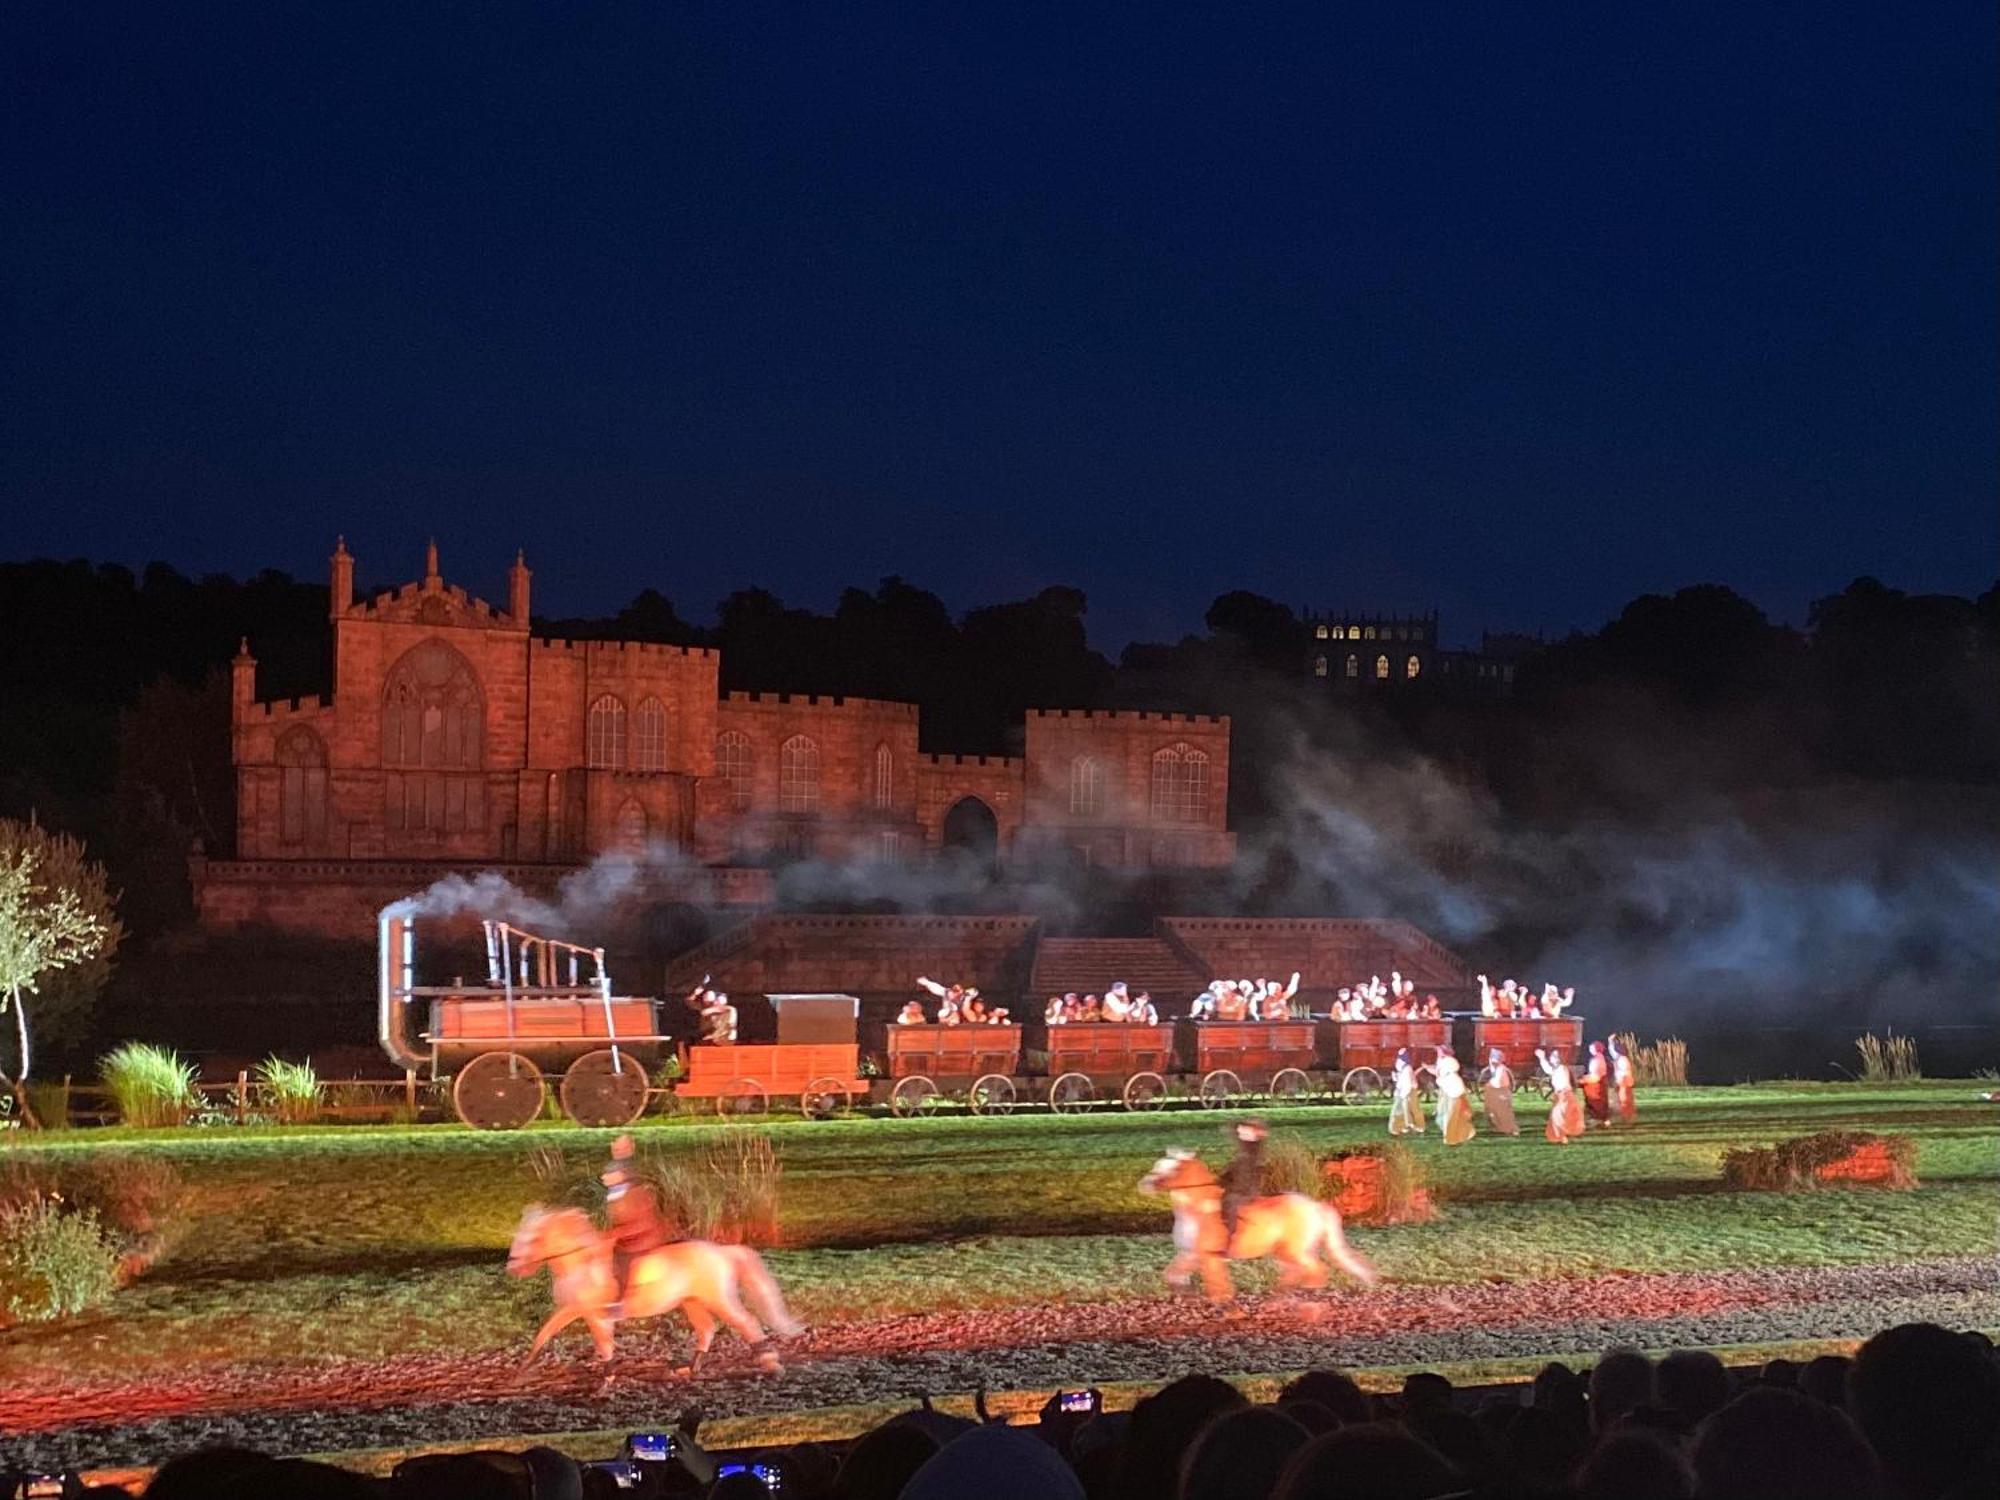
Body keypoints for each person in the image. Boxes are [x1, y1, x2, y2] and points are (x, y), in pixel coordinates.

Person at [602, 1133, 677, 1316]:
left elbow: (643, 1221)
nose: (604, 1177)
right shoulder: (615, 1192)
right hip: (627, 1237)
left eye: (609, 1175)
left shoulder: (639, 1190)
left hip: (645, 1237)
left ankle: (626, 1301)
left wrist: (615, 1234)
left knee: (629, 1262)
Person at [1220, 1117, 1267, 1242]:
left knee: (1231, 1202)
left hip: (1247, 1190)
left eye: (1245, 1132)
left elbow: (1245, 1176)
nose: (1241, 1134)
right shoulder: (1244, 1148)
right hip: (1236, 1186)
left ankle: (1230, 1235)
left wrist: (1232, 1187)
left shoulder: (1254, 1151)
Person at [1538, 1046, 1585, 1144]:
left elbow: (1562, 1084)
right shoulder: (1558, 1068)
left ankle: (1561, 1136)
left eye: (1553, 1057)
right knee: (1560, 1116)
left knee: (1558, 1116)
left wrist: (1542, 1058)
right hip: (1562, 1095)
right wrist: (1542, 1058)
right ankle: (1561, 1135)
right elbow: (1549, 1070)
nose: (1551, 1058)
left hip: (1564, 1096)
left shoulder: (1562, 1069)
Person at [1434, 1045, 1475, 1145]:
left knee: (1452, 1115)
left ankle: (1451, 1137)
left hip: (1453, 1092)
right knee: (1451, 1114)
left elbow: (1440, 1074)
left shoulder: (1448, 1063)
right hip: (1450, 1092)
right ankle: (1465, 1132)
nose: (1438, 1053)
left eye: (1439, 1051)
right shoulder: (1445, 1063)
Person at [1480, 1047, 1519, 1135]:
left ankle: (1511, 1129)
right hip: (1494, 1093)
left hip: (1501, 1093)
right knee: (1493, 1111)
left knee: (1504, 1112)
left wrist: (1489, 1084)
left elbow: (1497, 1083)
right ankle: (1498, 1127)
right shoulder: (1494, 1069)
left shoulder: (1501, 1070)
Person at [1388, 1048, 1425, 1136]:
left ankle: (1417, 1126)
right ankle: (1403, 1126)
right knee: (1405, 1109)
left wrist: (1403, 1095)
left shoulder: (1406, 1069)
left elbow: (1407, 1083)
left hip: (1407, 1091)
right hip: (1404, 1091)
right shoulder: (1404, 1068)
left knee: (1411, 1109)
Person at [1583, 1041, 1612, 1126]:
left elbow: (1596, 1074)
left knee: (1596, 1102)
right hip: (1598, 1082)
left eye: (1591, 1048)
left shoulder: (1597, 1059)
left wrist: (1585, 1079)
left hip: (1596, 1083)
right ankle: (1604, 1120)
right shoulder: (1599, 1058)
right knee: (1601, 1102)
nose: (1590, 1049)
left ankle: (1596, 1118)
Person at [1610, 1035, 1638, 1123]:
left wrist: (1620, 1083)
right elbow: (1612, 1052)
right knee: (1622, 1100)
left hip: (1624, 1082)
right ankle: (1626, 1116)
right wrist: (1610, 1041)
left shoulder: (1622, 1060)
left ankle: (1628, 1116)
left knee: (1625, 1100)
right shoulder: (1619, 1058)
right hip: (1623, 1082)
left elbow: (1624, 1073)